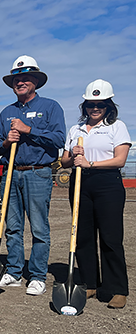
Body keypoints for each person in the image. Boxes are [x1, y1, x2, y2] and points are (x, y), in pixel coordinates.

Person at [0, 55, 66, 296]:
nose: (20, 82)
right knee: (12, 226)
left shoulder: (50, 107)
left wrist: (28, 130)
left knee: (38, 228)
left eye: (25, 78)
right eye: (17, 79)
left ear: (36, 80)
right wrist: (6, 141)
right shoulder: (6, 112)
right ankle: (14, 271)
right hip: (11, 173)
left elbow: (58, 139)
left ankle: (37, 276)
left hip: (38, 173)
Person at [61, 79, 130, 309]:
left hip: (107, 184)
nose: (95, 108)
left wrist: (90, 162)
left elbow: (120, 160)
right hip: (81, 184)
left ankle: (116, 289)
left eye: (100, 104)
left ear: (109, 105)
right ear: (85, 106)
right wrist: (73, 155)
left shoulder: (116, 126)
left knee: (110, 238)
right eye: (91, 104)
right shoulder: (75, 129)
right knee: (83, 236)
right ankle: (90, 282)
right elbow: (65, 161)